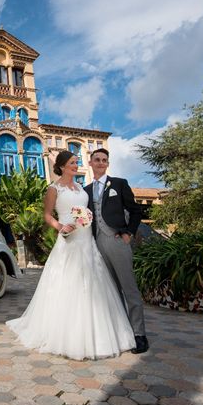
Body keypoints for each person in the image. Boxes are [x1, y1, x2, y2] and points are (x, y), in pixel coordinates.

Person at [6, 150, 135, 360]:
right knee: (67, 282)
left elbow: (88, 210)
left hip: (87, 239)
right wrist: (60, 226)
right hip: (68, 239)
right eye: (74, 163)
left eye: (77, 162)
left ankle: (99, 333)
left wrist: (89, 217)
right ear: (63, 166)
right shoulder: (53, 189)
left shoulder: (81, 188)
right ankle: (66, 334)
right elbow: (47, 214)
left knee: (94, 283)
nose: (77, 165)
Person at [85, 148, 149, 354]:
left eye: (104, 160)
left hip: (117, 240)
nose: (101, 163)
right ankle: (122, 334)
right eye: (97, 159)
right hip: (97, 244)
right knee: (111, 291)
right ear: (90, 162)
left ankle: (139, 335)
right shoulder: (85, 191)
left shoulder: (119, 184)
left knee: (129, 288)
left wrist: (129, 232)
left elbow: (136, 210)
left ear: (108, 163)